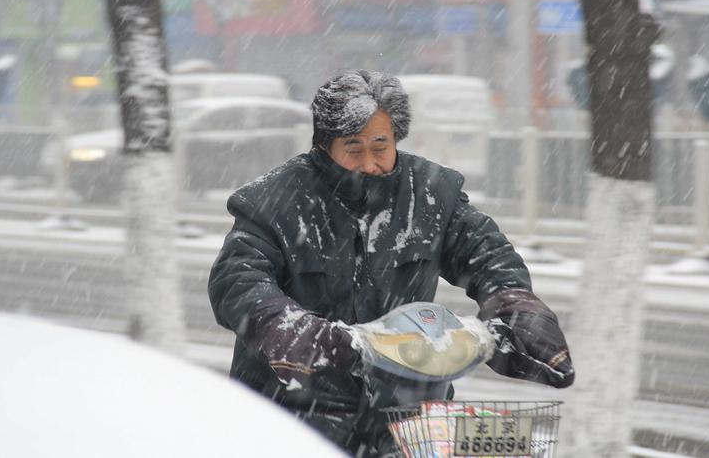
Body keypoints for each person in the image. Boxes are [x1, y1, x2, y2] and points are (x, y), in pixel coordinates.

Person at [208, 70, 574, 456]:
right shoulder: (274, 202)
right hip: (296, 420)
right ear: (323, 145)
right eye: (354, 147)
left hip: (405, 421)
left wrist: (514, 301)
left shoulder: (431, 193)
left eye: (380, 145)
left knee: (504, 446)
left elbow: (486, 251)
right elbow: (239, 279)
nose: (369, 162)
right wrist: (290, 329)